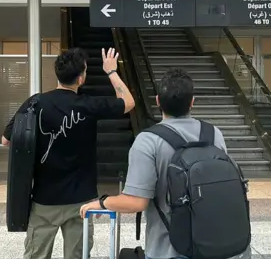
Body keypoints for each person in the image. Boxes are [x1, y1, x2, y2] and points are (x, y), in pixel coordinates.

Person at [80, 68, 251, 259]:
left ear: (158, 101)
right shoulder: (214, 134)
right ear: (192, 102)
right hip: (216, 245)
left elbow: (136, 201)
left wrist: (103, 202)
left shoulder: (148, 141)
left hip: (169, 250)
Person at [2, 47, 135, 259]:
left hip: (44, 200)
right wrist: (111, 71)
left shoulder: (35, 103)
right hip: (81, 201)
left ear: (57, 73)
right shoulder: (88, 105)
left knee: (36, 255)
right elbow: (129, 102)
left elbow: (6, 140)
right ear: (81, 78)